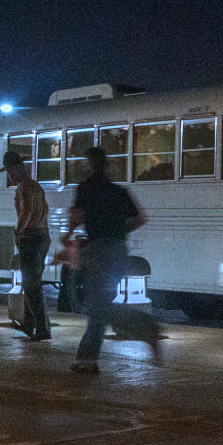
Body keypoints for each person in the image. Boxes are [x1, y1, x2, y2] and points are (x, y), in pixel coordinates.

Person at [63, 146, 160, 372]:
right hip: (118, 250)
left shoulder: (85, 188)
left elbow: (75, 217)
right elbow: (140, 219)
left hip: (98, 251)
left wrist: (68, 237)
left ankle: (147, 328)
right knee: (99, 304)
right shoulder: (119, 191)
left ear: (90, 165)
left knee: (98, 306)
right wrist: (118, 230)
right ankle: (87, 360)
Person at [2, 149, 51, 341]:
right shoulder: (37, 187)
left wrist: (19, 231)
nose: (10, 175)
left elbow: (26, 211)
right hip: (43, 235)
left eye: (11, 170)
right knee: (34, 283)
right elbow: (44, 210)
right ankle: (31, 324)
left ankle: (41, 328)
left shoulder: (23, 188)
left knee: (31, 285)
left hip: (30, 237)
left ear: (19, 168)